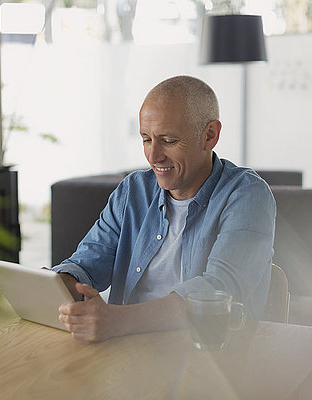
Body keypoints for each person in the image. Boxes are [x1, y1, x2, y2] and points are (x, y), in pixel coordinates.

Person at [52, 75, 276, 343]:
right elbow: (86, 264)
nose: (153, 156)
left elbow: (218, 293)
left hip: (209, 355)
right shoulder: (133, 190)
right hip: (125, 349)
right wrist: (60, 283)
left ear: (210, 135)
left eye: (168, 140)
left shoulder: (247, 195)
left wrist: (116, 320)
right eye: (146, 139)